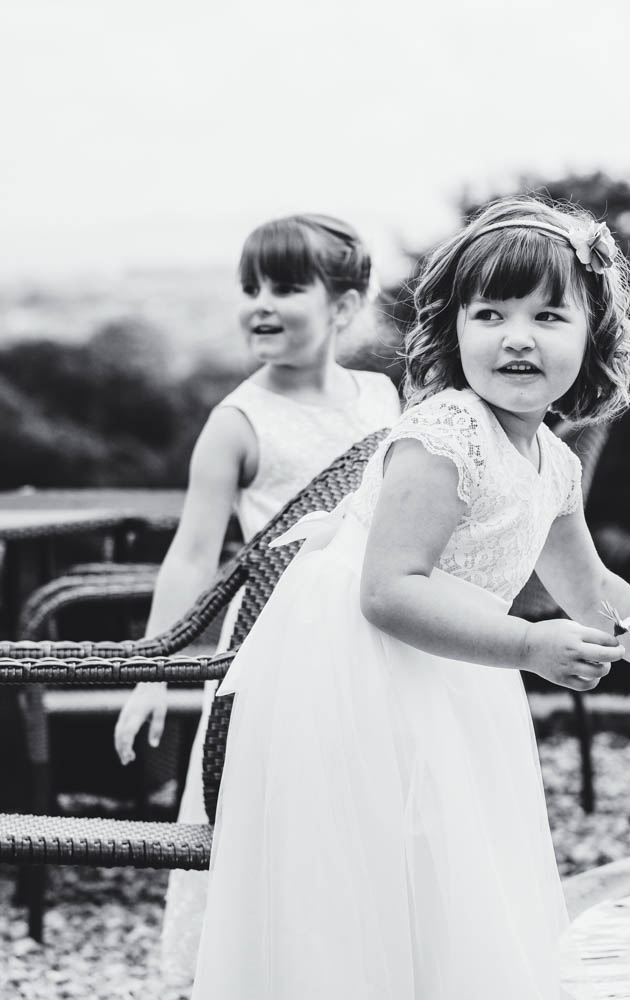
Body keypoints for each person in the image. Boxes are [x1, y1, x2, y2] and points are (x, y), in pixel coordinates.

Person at [190, 197, 630, 999]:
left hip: (456, 668)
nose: (516, 336)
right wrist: (528, 646)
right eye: (490, 313)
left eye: (548, 315)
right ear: (454, 329)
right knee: (367, 887)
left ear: (593, 336)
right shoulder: (444, 434)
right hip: (353, 680)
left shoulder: (552, 462)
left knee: (458, 879)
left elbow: (595, 590)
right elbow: (389, 591)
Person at [110, 213, 400, 986]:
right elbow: (193, 555)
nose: (261, 303)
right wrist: (151, 671)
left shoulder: (381, 396)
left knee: (369, 813)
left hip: (374, 636)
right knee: (276, 822)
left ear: (344, 305)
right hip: (274, 650)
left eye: (286, 286)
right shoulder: (236, 422)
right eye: (251, 287)